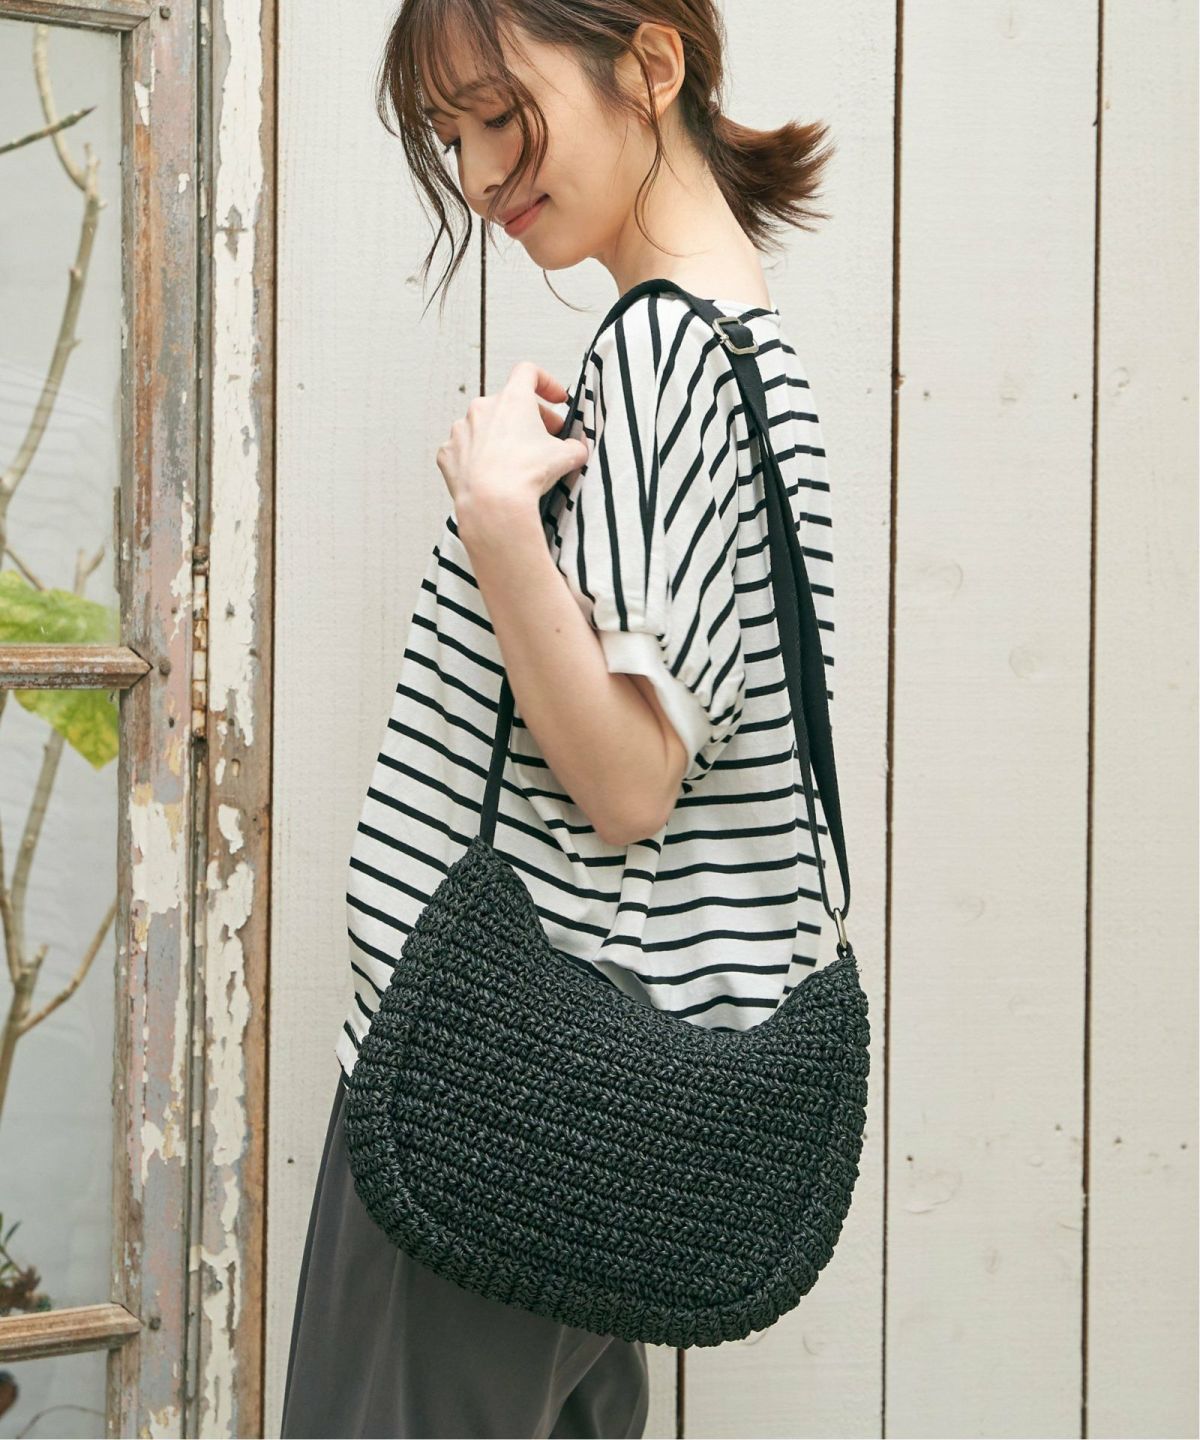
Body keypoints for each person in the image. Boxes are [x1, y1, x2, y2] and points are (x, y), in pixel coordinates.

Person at [280, 4, 838, 1436]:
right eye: (451, 135)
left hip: (485, 1100)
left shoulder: (661, 352)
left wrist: (495, 516)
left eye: (497, 114)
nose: (478, 174)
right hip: (589, 1108)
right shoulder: (747, 353)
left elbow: (630, 780)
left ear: (650, 66)